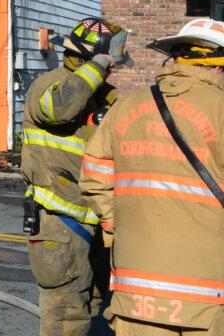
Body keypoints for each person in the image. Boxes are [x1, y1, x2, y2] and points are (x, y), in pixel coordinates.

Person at [81, 18, 224, 336]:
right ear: (217, 66)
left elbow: (93, 174)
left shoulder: (127, 106)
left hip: (135, 295)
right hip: (208, 298)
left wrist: (117, 226)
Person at [22, 17, 131, 336]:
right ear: (94, 58)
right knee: (67, 316)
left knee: (101, 308)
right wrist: (100, 63)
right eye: (108, 63)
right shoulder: (50, 85)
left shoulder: (104, 96)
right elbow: (60, 108)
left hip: (99, 223)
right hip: (61, 222)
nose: (111, 71)